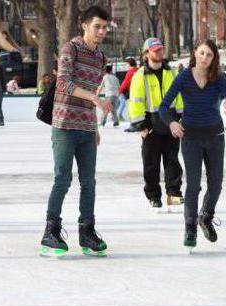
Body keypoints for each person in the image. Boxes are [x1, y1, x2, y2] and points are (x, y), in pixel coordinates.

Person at [40, 6, 112, 258]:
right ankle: (51, 231)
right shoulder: (70, 48)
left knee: (89, 182)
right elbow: (64, 83)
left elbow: (92, 92)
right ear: (84, 25)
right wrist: (94, 97)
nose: (101, 31)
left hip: (86, 127)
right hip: (64, 123)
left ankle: (87, 231)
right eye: (97, 26)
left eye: (104, 27)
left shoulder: (101, 58)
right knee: (62, 178)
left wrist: (94, 127)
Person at [157, 39, 226, 249]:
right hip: (191, 138)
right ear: (195, 53)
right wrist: (172, 122)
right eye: (202, 53)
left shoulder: (218, 78)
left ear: (214, 58)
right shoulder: (184, 76)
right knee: (193, 185)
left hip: (215, 137)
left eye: (209, 55)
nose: (205, 58)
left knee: (216, 184)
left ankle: (206, 216)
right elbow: (164, 106)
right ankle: (190, 229)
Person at [128, 37, 185, 209]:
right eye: (155, 50)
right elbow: (136, 102)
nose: (159, 52)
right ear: (146, 54)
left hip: (171, 123)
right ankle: (154, 195)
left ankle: (173, 193)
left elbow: (180, 97)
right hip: (151, 125)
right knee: (150, 163)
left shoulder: (172, 72)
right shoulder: (140, 76)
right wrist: (141, 125)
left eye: (160, 49)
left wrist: (181, 118)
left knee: (172, 161)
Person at [118, 57, 138, 127]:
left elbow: (125, 82)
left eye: (126, 64)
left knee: (132, 108)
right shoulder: (138, 70)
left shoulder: (130, 72)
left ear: (129, 64)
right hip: (139, 91)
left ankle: (133, 125)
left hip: (133, 91)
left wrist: (119, 91)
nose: (126, 66)